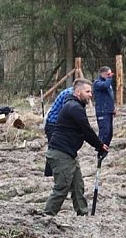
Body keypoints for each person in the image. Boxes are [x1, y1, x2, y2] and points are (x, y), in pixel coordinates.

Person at [44, 78, 109, 216]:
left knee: (77, 186)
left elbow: (84, 132)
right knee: (62, 187)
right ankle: (47, 216)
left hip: (70, 153)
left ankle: (83, 213)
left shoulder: (76, 105)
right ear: (78, 92)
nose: (91, 94)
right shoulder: (74, 108)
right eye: (87, 91)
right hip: (60, 153)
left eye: (91, 91)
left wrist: (99, 146)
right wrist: (99, 145)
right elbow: (86, 130)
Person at [43, 87, 74, 176]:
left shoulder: (71, 93)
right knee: (54, 149)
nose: (90, 95)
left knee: (55, 149)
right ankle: (50, 173)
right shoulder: (69, 95)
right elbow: (67, 112)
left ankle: (51, 172)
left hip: (56, 123)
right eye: (88, 92)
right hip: (53, 124)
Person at [93, 66, 115, 146]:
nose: (110, 76)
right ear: (103, 74)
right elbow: (105, 86)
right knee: (104, 132)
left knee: (109, 133)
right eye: (108, 74)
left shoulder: (108, 83)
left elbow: (110, 96)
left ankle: (105, 149)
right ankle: (100, 149)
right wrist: (109, 78)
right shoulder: (97, 83)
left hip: (109, 110)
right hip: (102, 111)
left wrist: (113, 108)